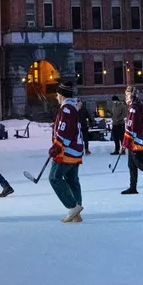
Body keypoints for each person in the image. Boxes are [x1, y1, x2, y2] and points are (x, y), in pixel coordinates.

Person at [48, 81, 85, 223]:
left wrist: (56, 146)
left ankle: (73, 207)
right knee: (72, 180)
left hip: (66, 152)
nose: (56, 97)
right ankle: (76, 213)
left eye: (57, 94)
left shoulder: (67, 109)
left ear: (62, 95)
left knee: (54, 178)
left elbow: (65, 130)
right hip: (75, 150)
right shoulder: (71, 108)